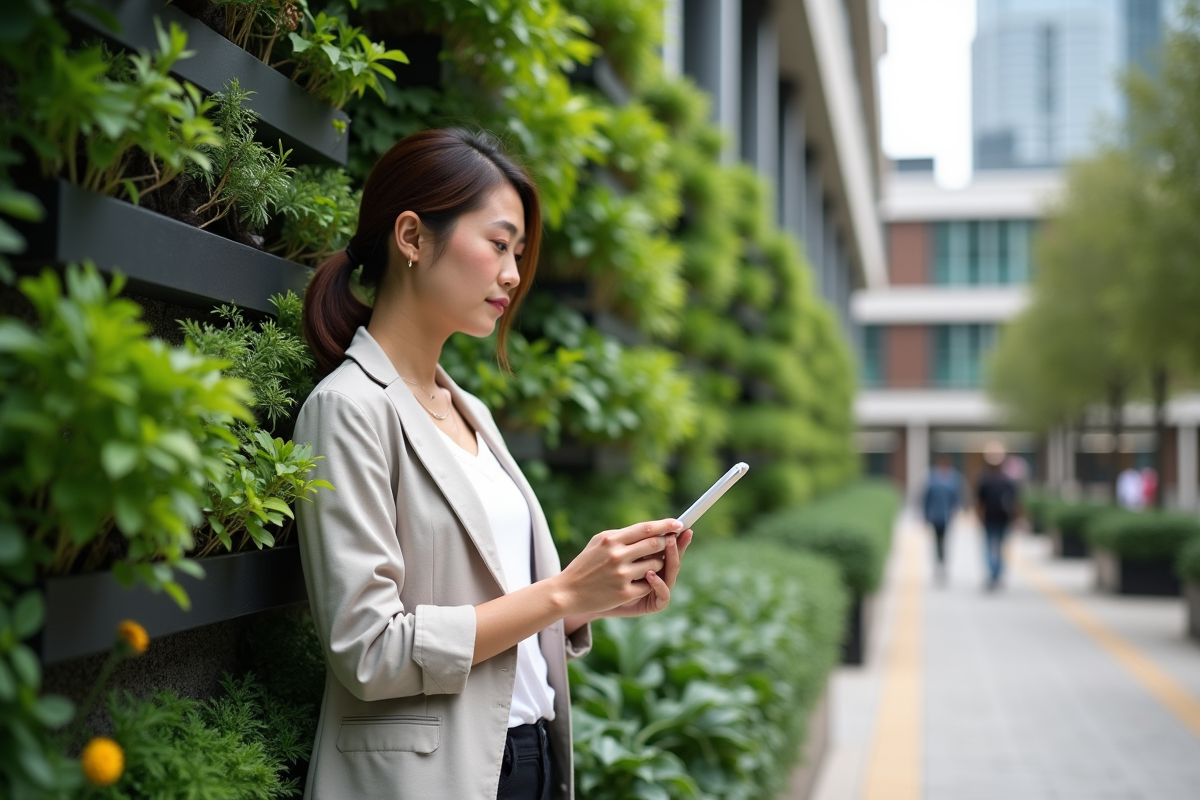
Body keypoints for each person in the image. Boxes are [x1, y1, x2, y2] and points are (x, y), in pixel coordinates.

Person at [293, 129, 694, 800]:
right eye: (500, 244)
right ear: (412, 237)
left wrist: (591, 601)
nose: (512, 274)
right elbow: (368, 649)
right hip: (428, 779)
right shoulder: (348, 409)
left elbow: (494, 603)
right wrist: (561, 593)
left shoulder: (469, 409)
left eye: (519, 254)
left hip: (530, 760)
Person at [976, 441, 1019, 591]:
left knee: (991, 547)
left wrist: (979, 517)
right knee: (998, 548)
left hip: (996, 519)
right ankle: (995, 574)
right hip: (997, 519)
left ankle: (994, 574)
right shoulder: (1004, 481)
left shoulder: (987, 480)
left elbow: (980, 503)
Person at [922, 454, 962, 581]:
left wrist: (956, 510)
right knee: (937, 540)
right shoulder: (932, 478)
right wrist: (925, 515)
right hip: (935, 515)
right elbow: (926, 498)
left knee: (944, 541)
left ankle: (943, 564)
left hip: (947, 516)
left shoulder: (953, 478)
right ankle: (939, 563)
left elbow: (957, 497)